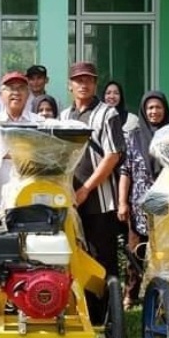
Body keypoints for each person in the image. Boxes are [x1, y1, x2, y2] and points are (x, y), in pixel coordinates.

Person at [59, 61, 125, 321]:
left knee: (101, 258)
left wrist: (86, 188)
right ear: (70, 85)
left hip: (99, 201)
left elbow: (113, 155)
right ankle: (81, 311)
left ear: (95, 84)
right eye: (78, 80)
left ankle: (108, 319)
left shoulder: (107, 114)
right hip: (70, 201)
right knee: (75, 256)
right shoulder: (64, 116)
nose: (83, 84)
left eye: (88, 80)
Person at [118, 91, 169, 310]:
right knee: (135, 252)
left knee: (164, 253)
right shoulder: (134, 135)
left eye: (158, 107)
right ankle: (130, 294)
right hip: (139, 204)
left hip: (166, 202)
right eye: (150, 107)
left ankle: (164, 296)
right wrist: (122, 202)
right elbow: (126, 171)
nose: (154, 111)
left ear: (165, 110)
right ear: (143, 110)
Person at [0, 72, 42, 226]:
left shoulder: (40, 124)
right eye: (10, 88)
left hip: (33, 202)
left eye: (21, 88)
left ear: (28, 94)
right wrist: (0, 155)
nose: (16, 92)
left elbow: (47, 156)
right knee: (1, 249)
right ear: (1, 95)